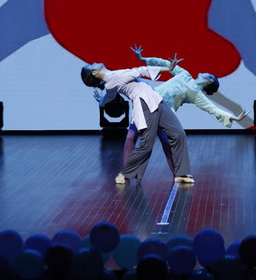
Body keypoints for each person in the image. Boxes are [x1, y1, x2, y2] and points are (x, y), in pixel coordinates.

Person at [122, 45, 248, 172]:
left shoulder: (196, 94)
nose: (204, 72)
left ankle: (177, 176)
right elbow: (165, 63)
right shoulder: (184, 74)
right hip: (147, 102)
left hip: (163, 114)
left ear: (210, 80)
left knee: (167, 145)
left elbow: (212, 108)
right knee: (131, 136)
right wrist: (143, 58)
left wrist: (234, 118)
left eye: (208, 74)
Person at [81, 56, 194, 185]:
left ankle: (181, 173)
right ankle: (124, 174)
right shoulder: (115, 78)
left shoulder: (110, 81)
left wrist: (101, 101)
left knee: (178, 133)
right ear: (95, 72)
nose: (94, 62)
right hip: (146, 104)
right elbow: (141, 70)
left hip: (157, 100)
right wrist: (168, 69)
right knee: (146, 146)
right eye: (92, 65)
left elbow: (109, 96)